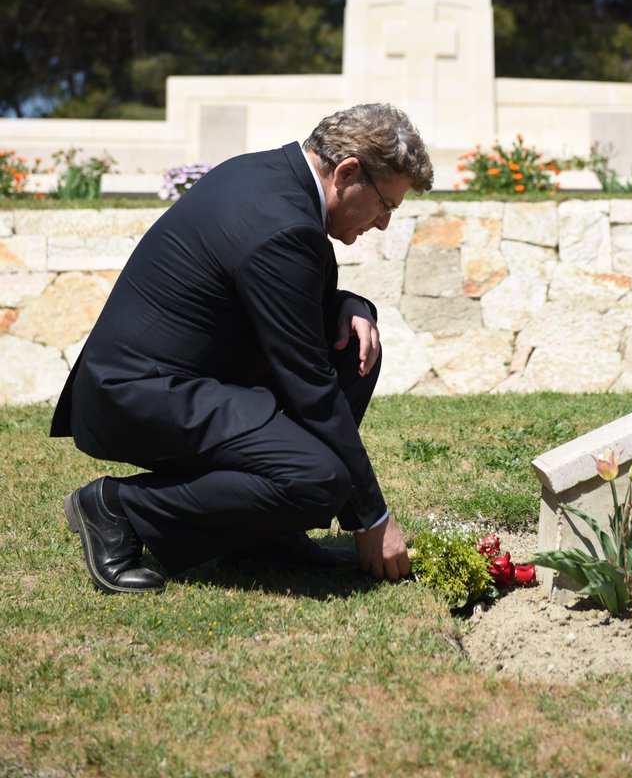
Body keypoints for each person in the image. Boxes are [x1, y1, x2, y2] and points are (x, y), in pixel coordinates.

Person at [50, 103, 434, 594]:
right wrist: (372, 517)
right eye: (387, 204)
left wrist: (349, 303)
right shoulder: (283, 224)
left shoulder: (272, 175)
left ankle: (261, 536)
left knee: (353, 353)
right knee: (317, 479)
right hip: (143, 393)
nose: (383, 223)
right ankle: (117, 507)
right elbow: (309, 386)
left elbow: (264, 292)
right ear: (347, 172)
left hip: (186, 376)